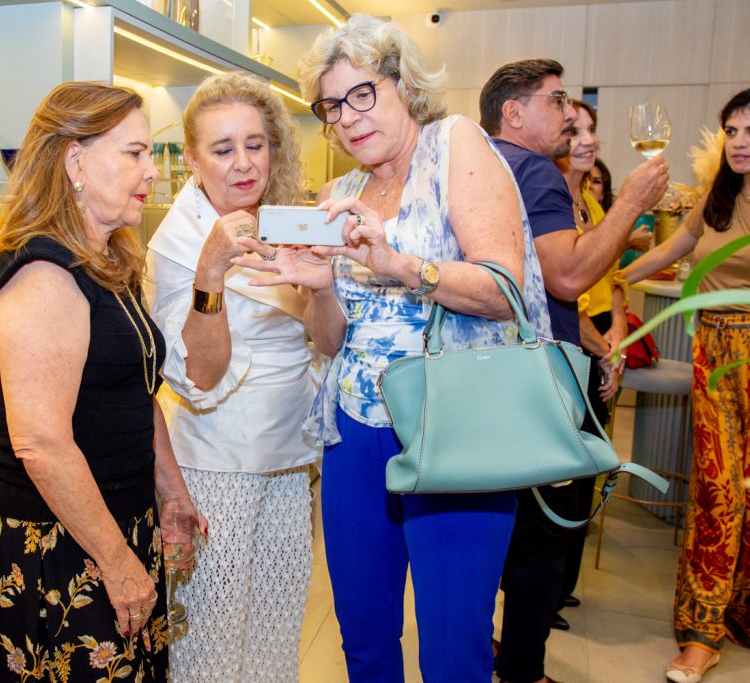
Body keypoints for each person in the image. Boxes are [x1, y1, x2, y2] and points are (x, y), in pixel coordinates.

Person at [236, 15, 553, 682]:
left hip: (454, 429)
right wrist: (322, 288)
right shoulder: (338, 194)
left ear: (402, 84)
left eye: (362, 94)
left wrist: (399, 263)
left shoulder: (455, 145)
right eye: (330, 106)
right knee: (366, 640)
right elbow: (329, 341)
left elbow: (506, 288)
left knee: (452, 649)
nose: (346, 119)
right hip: (354, 435)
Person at [0, 82, 200, 682]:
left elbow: (136, 391)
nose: (152, 171)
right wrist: (118, 561)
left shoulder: (108, 261)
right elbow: (42, 444)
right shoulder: (44, 274)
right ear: (74, 160)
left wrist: (171, 493)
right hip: (66, 545)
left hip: (115, 526)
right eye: (134, 154)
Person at [479, 58, 668, 683]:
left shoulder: (477, 167)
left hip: (487, 376)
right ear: (514, 113)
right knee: (541, 538)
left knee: (485, 530)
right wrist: (635, 201)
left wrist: (593, 342)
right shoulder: (535, 170)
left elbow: (537, 290)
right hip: (538, 385)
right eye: (556, 101)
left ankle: (482, 652)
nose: (569, 116)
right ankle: (525, 670)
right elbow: (566, 276)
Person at [144, 71, 318, 682]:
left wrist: (325, 289)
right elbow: (202, 377)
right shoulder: (177, 241)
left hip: (288, 459)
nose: (244, 163)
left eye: (255, 143)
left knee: (272, 633)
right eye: (222, 150)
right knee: (210, 650)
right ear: (192, 160)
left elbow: (323, 342)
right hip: (215, 468)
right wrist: (211, 271)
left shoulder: (285, 222)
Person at [622, 87, 750, 683]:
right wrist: (611, 274)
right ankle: (703, 632)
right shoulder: (717, 200)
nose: (740, 141)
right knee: (718, 489)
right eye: (732, 130)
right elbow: (674, 248)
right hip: (716, 353)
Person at [553, 99, 628, 630]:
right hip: (573, 345)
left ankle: (559, 586)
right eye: (573, 129)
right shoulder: (552, 204)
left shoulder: (595, 208)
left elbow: (615, 282)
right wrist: (603, 350)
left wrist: (618, 339)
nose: (586, 139)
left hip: (602, 344)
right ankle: (537, 595)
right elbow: (565, 293)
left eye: (592, 130)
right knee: (558, 475)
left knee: (587, 471)